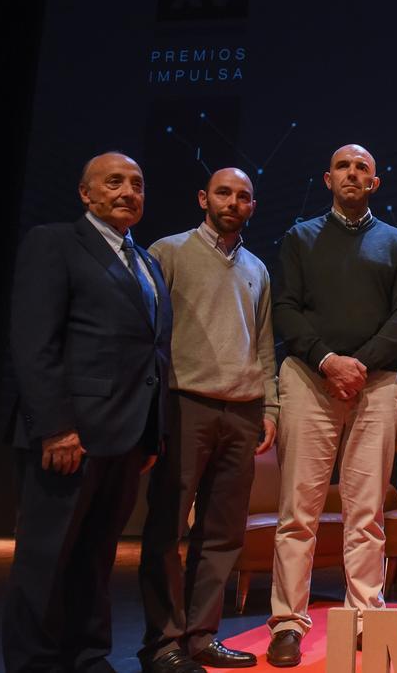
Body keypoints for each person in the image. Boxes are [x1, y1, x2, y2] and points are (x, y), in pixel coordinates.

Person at [4, 152, 172, 673]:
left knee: (97, 557)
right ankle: (36, 662)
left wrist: (150, 434)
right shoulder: (54, 243)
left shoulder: (144, 260)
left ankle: (87, 656)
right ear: (86, 193)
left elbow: (149, 350)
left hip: (126, 437)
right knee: (47, 558)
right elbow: (35, 344)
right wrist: (55, 428)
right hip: (70, 435)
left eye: (137, 184)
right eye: (114, 182)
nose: (128, 191)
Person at [267, 144, 397, 668]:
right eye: (344, 167)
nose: (353, 174)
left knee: (366, 512)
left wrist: (359, 365)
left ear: (375, 183)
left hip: (375, 385)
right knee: (298, 512)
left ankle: (364, 618)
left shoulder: (396, 242)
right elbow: (284, 308)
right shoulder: (299, 237)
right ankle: (288, 622)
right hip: (309, 379)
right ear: (328, 178)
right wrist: (329, 360)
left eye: (363, 169)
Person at [138, 167, 279, 671]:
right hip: (184, 403)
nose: (233, 202)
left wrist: (271, 406)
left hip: (241, 411)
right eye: (224, 193)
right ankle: (162, 642)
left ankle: (201, 635)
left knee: (222, 533)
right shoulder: (167, 252)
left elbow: (264, 344)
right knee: (167, 527)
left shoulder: (258, 268)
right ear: (204, 198)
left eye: (243, 196)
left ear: (252, 207)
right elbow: (147, 333)